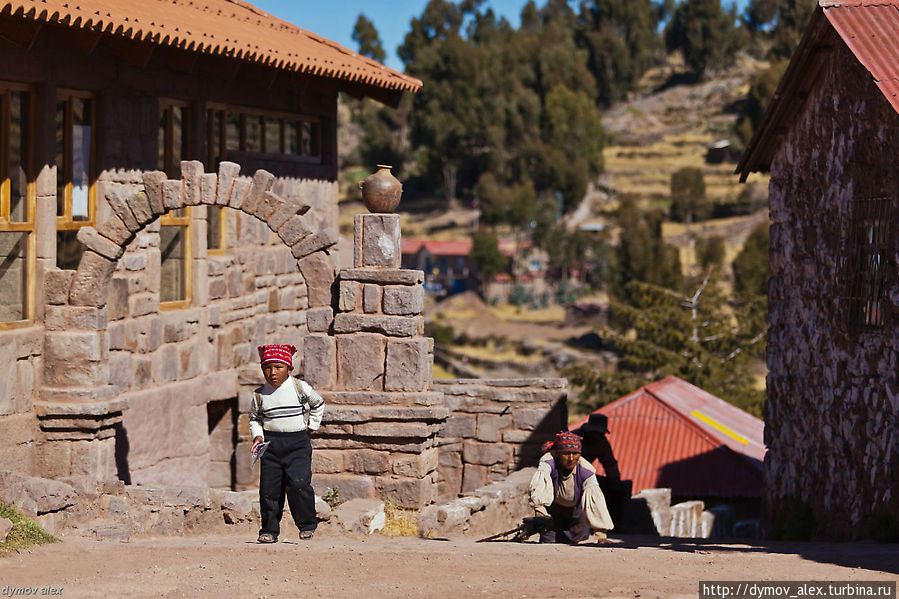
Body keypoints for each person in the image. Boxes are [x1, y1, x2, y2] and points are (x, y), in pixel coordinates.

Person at [250, 344, 324, 543]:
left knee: (299, 485)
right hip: (271, 446)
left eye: (278, 367)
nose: (272, 373)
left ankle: (307, 525)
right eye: (267, 368)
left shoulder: (300, 387)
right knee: (269, 490)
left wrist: (311, 427)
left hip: (297, 443)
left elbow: (318, 403)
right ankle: (269, 530)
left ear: (289, 369)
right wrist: (257, 436)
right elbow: (255, 419)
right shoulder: (259, 395)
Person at [528, 431, 614, 544]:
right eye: (566, 453)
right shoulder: (549, 461)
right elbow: (539, 483)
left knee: (578, 542)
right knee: (548, 540)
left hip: (576, 510)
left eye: (575, 453)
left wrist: (600, 533)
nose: (571, 458)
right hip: (553, 509)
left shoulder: (586, 470)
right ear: (558, 453)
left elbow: (596, 502)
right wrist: (540, 510)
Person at [573, 413, 631, 527]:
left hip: (586, 475)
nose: (598, 436)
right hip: (569, 475)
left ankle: (612, 525)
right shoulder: (575, 438)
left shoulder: (601, 442)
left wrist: (615, 482)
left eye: (601, 433)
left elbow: (610, 464)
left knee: (616, 489)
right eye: (596, 432)